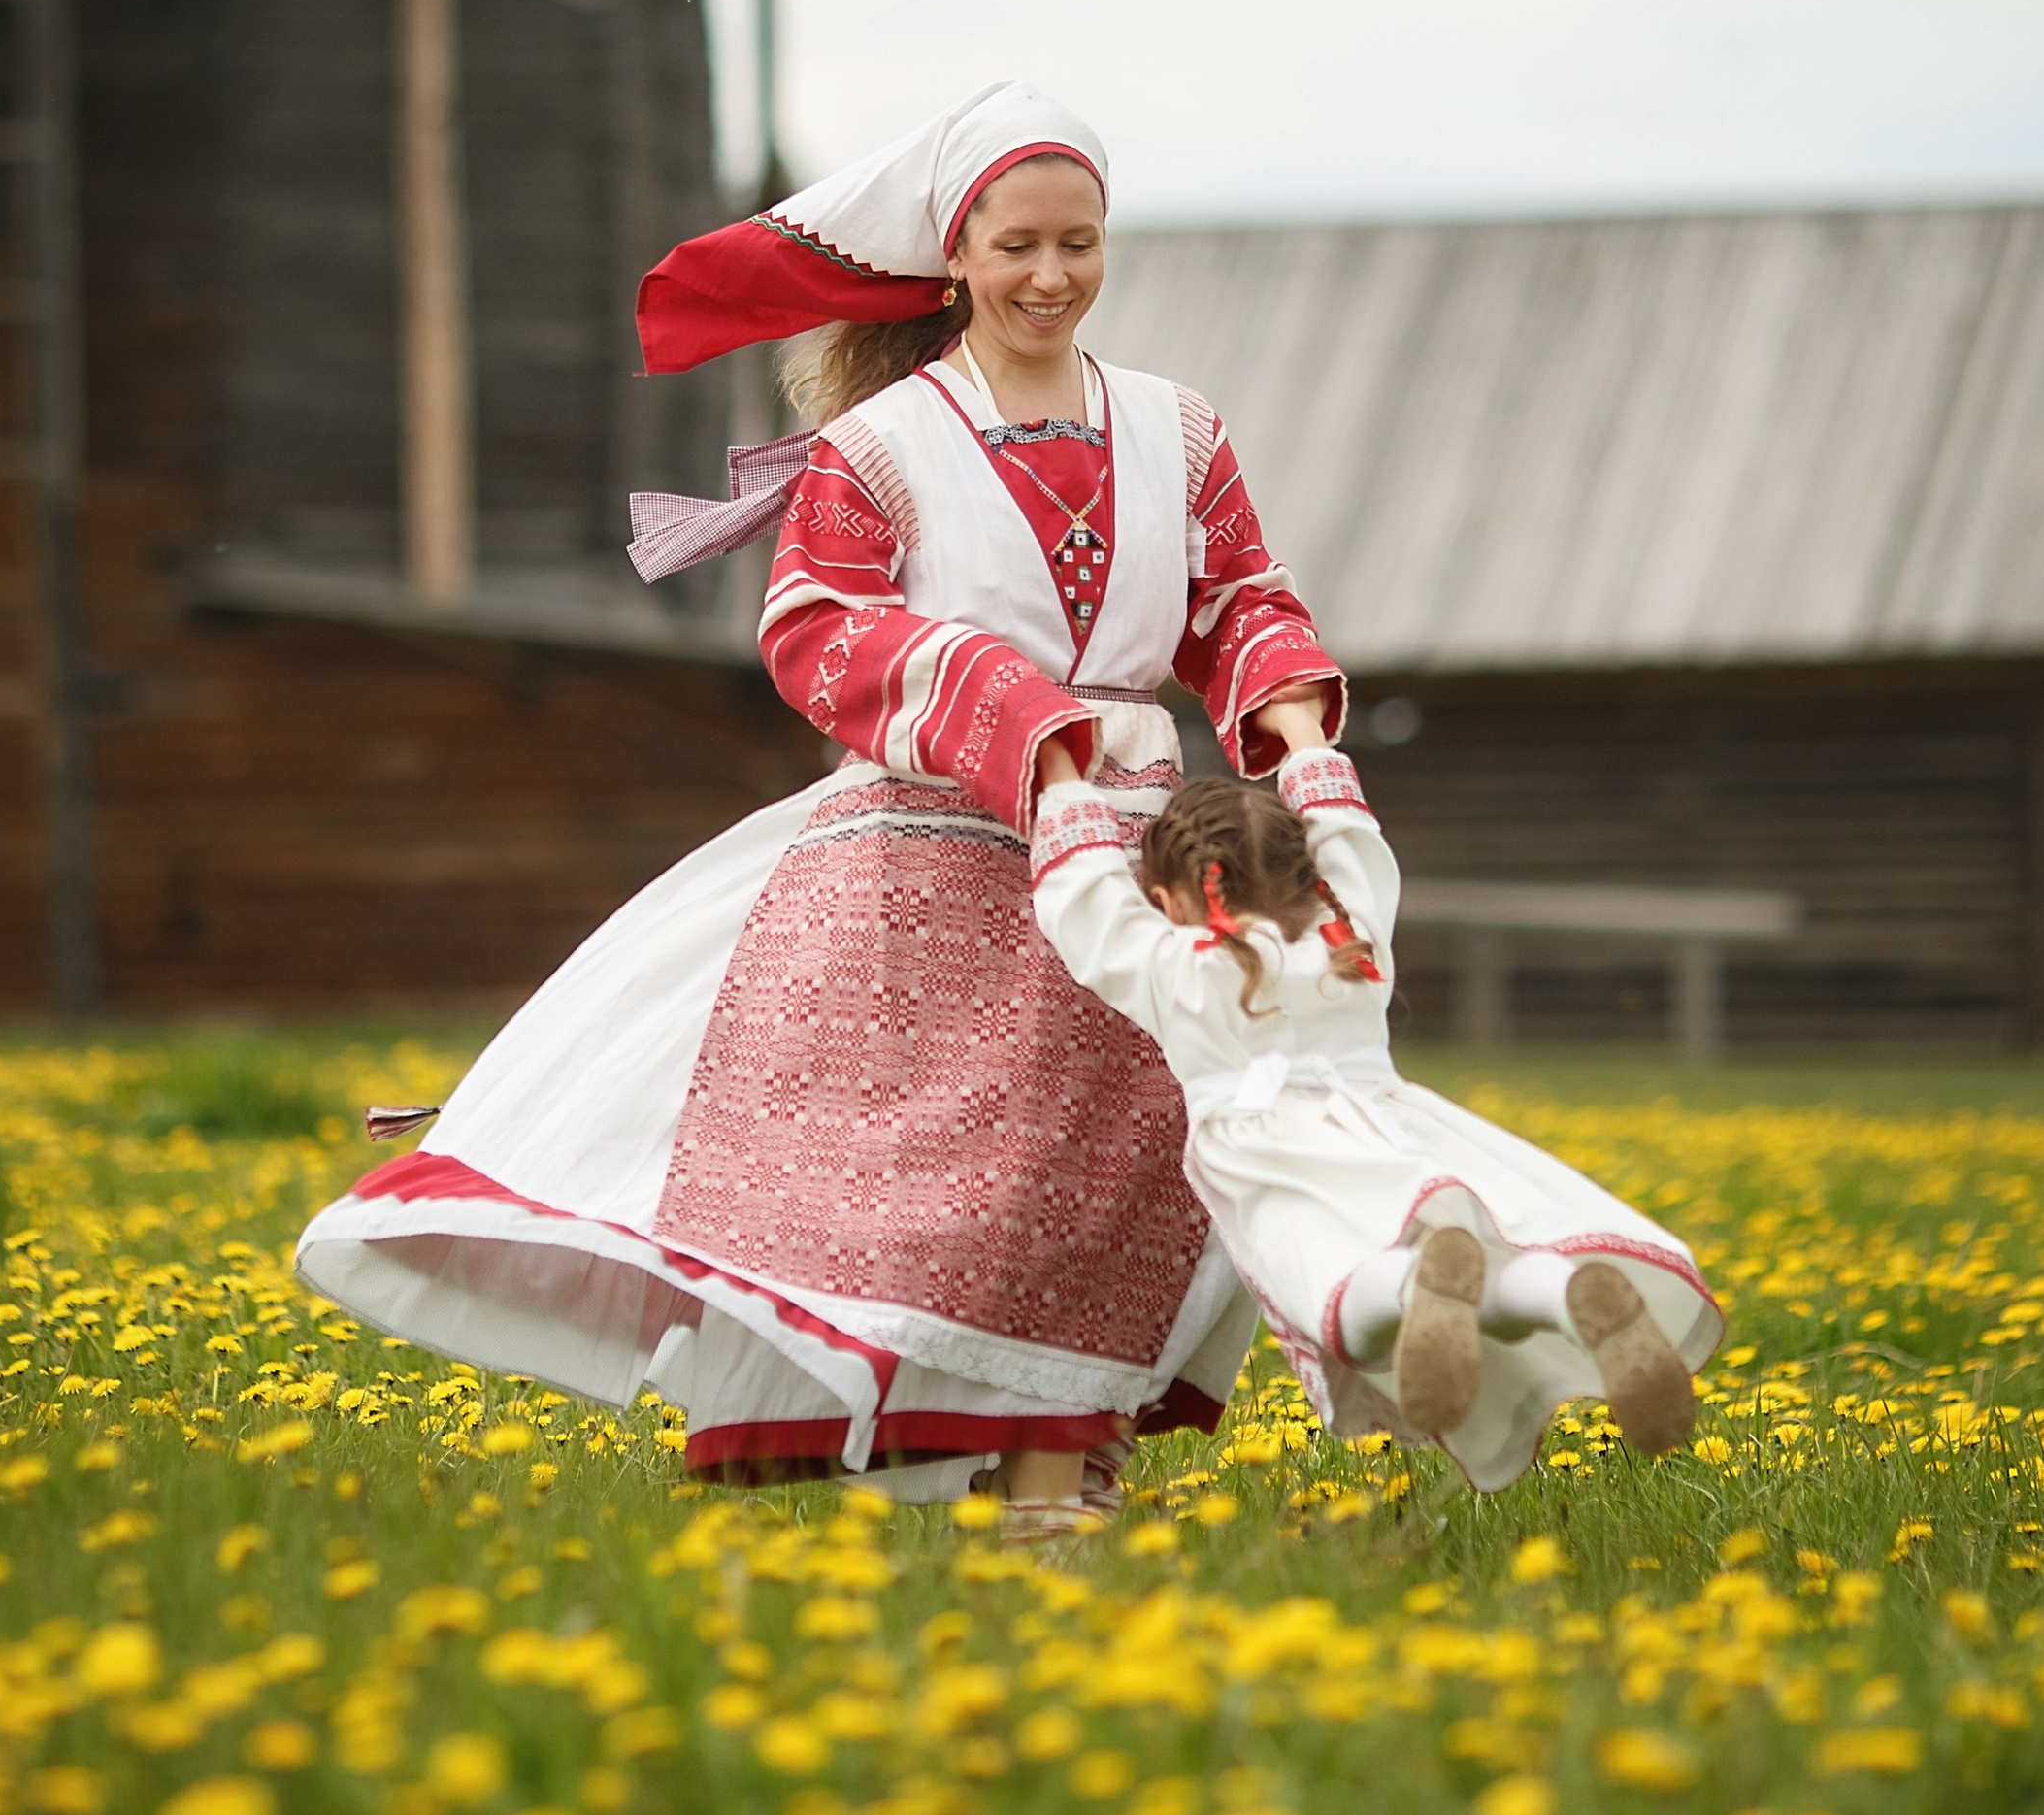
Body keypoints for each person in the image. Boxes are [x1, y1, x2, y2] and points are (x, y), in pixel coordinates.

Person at [296, 82, 1344, 1531]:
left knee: (1126, 1168)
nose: (1051, 276)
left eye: (1080, 244)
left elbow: (1235, 597)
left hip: (1139, 850)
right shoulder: (886, 447)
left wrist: (1287, 718)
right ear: (956, 255)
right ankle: (939, 1458)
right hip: (939, 857)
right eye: (1018, 245)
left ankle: (1057, 1476)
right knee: (946, 1180)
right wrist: (1003, 708)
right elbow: (816, 627)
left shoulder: (1177, 431)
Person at [1027, 744, 1720, 1487]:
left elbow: (1089, 905)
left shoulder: (1177, 964)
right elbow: (1354, 839)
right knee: (1491, 1274)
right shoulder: (1348, 937)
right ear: (1309, 876)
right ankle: (1559, 1290)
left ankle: (1409, 1283)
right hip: (1393, 1128)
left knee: (1327, 1288)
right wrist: (1306, 747)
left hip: (1267, 1150)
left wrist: (1064, 786)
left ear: (1165, 899)